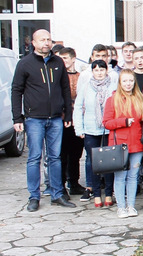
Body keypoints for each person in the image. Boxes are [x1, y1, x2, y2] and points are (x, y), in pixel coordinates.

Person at [11, 29, 77, 211]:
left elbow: (65, 89)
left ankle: (57, 194)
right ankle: (34, 197)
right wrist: (17, 117)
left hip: (56, 118)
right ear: (33, 43)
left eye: (48, 39)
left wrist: (68, 114)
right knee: (34, 158)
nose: (46, 43)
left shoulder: (58, 62)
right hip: (34, 119)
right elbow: (16, 90)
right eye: (42, 40)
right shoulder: (25, 64)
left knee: (55, 157)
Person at [103, 69, 143, 218]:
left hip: (137, 144)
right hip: (120, 145)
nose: (128, 84)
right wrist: (123, 122)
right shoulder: (113, 99)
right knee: (120, 176)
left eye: (130, 80)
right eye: (125, 81)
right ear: (120, 82)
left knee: (133, 176)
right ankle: (121, 207)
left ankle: (131, 206)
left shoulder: (139, 98)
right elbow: (107, 123)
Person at [74, 60, 116, 208]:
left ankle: (109, 193)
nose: (99, 73)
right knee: (94, 163)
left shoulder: (113, 86)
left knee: (109, 163)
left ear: (106, 71)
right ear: (92, 72)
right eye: (96, 70)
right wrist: (79, 129)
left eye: (102, 70)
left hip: (108, 129)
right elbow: (78, 107)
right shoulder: (86, 87)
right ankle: (97, 194)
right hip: (91, 130)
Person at [56, 47, 86, 196]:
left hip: (78, 120)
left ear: (73, 59)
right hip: (63, 120)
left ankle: (74, 182)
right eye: (61, 58)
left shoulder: (81, 76)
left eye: (66, 58)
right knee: (63, 154)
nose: (64, 61)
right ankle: (61, 185)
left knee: (76, 153)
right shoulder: (59, 76)